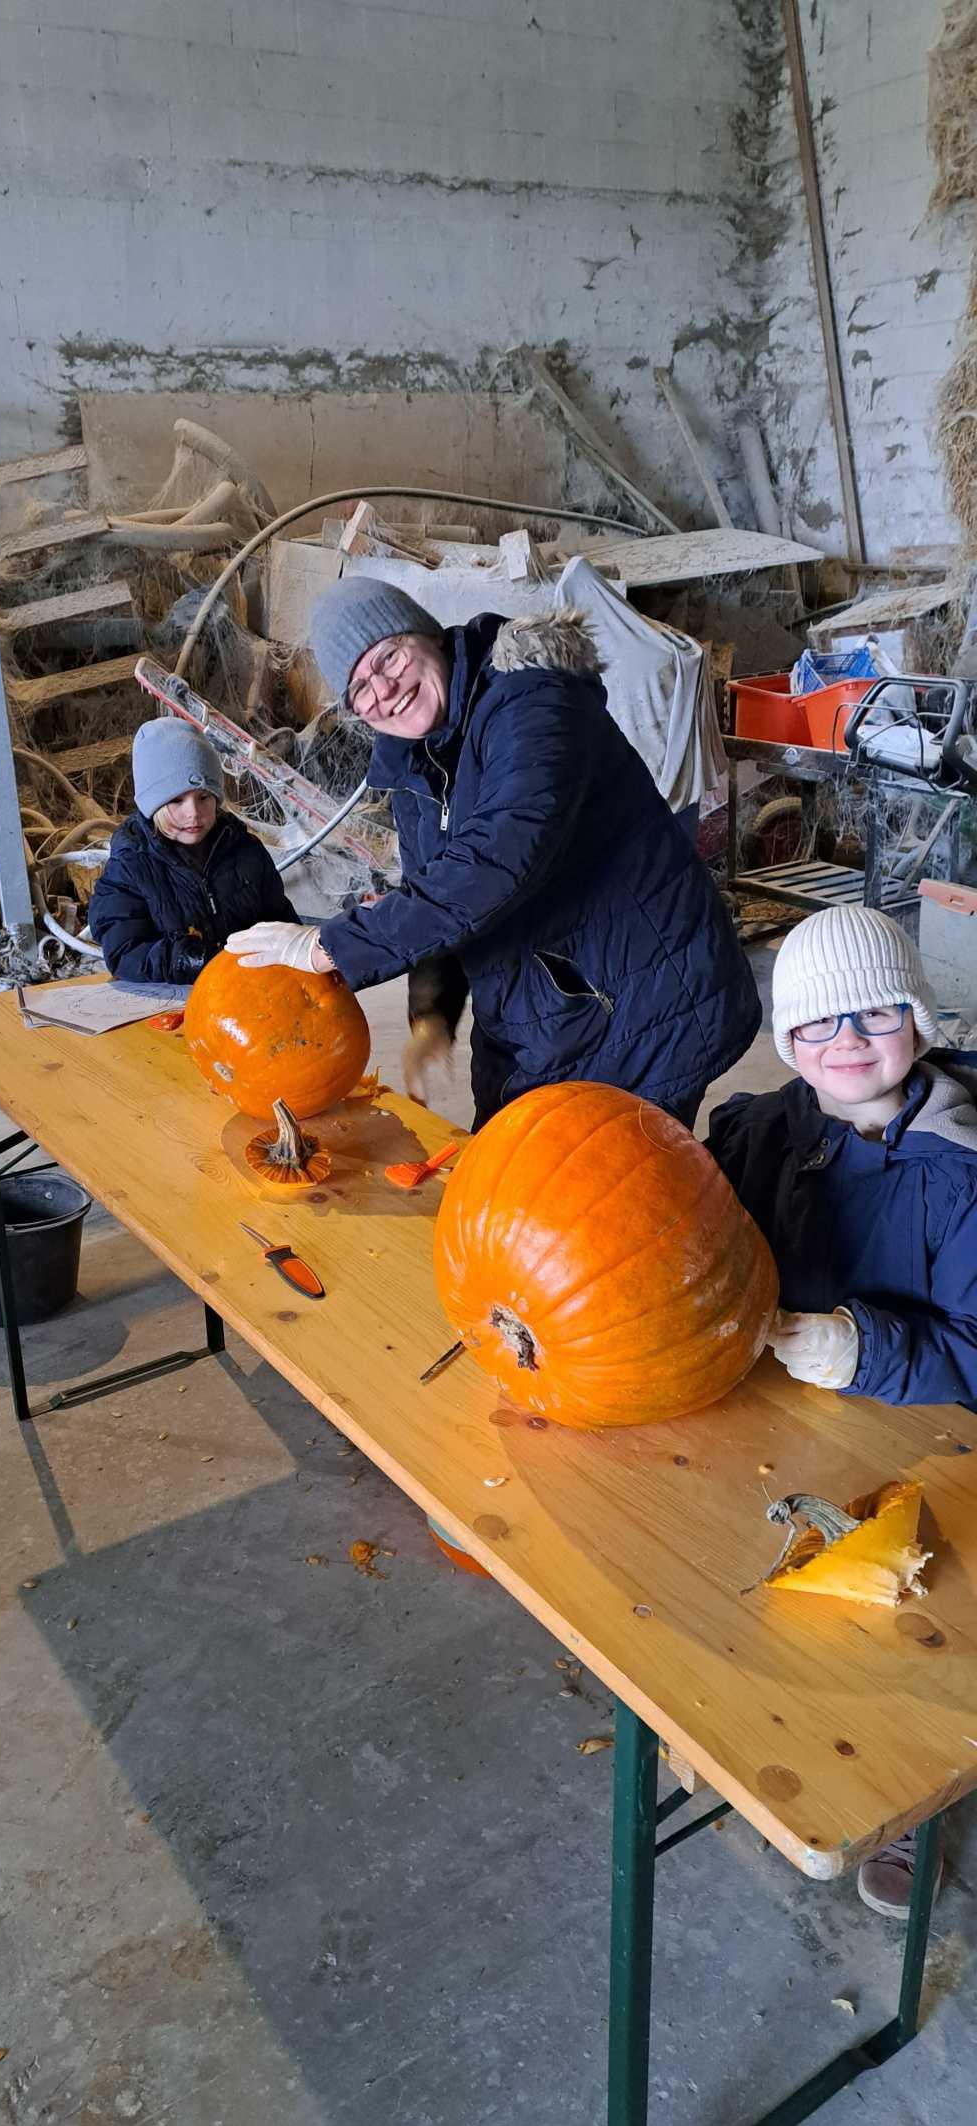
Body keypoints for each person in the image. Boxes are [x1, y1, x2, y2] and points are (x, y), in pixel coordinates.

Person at [224, 580, 760, 1129]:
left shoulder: (532, 698)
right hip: (545, 1011)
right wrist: (432, 1015)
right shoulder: (413, 762)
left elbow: (495, 859)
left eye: (389, 656)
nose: (384, 689)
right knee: (497, 1186)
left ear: (426, 636)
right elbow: (433, 890)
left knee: (614, 1188)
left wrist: (331, 944)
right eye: (360, 688)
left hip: (643, 997)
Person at [707, 903, 977, 1920]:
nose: (847, 1042)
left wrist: (867, 1346)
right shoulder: (764, 1127)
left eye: (875, 1014)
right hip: (802, 1412)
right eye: (817, 1025)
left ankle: (917, 1791)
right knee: (755, 1564)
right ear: (788, 1041)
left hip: (939, 1430)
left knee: (923, 1613)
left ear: (920, 1019)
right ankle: (783, 1719)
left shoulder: (965, 1178)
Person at [88, 718, 297, 985]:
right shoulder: (130, 866)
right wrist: (189, 959)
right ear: (153, 805)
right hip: (174, 999)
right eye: (176, 800)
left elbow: (283, 923)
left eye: (204, 797)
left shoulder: (246, 853)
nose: (194, 813)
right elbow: (124, 953)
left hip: (250, 991)